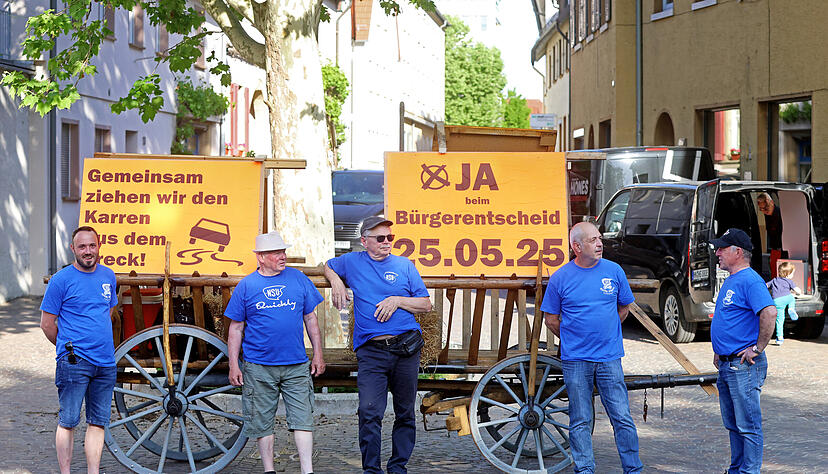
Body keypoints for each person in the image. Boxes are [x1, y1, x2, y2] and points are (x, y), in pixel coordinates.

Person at [324, 216, 432, 474]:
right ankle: (371, 470)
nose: (387, 243)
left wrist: (397, 300)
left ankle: (398, 467)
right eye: (380, 238)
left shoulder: (404, 265)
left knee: (405, 412)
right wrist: (337, 280)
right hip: (371, 351)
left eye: (390, 238)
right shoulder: (351, 261)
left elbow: (426, 304)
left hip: (405, 348)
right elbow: (326, 265)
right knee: (369, 411)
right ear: (364, 241)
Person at [541, 222, 642, 473]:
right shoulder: (561, 277)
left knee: (622, 417)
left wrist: (606, 331)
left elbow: (624, 308)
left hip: (609, 358)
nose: (599, 244)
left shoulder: (614, 270)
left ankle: (633, 469)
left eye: (599, 238)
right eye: (592, 240)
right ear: (577, 247)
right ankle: (584, 469)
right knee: (580, 419)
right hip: (576, 360)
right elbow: (551, 319)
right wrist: (576, 338)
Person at [225, 231, 326, 474]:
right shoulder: (247, 285)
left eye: (283, 252)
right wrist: (233, 364)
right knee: (262, 421)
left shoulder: (298, 278)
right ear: (260, 257)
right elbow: (236, 328)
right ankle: (269, 470)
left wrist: (318, 354)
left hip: (296, 363)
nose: (283, 256)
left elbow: (310, 318)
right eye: (276, 253)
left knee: (302, 418)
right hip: (258, 365)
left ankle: (307, 471)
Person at [40, 226, 118, 474]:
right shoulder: (60, 280)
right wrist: (66, 348)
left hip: (105, 362)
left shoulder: (108, 276)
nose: (88, 251)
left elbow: (109, 311)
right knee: (69, 421)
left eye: (92, 245)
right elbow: (47, 323)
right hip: (74, 362)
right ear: (73, 249)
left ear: (99, 246)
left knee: (98, 422)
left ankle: (93, 472)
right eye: (82, 246)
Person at [710, 228, 776, 474]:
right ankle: (736, 469)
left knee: (747, 425)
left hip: (742, 366)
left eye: (722, 248)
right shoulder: (732, 279)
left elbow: (769, 312)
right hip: (728, 364)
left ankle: (749, 471)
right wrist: (719, 349)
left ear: (737, 252)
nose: (717, 252)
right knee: (734, 424)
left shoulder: (750, 280)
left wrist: (758, 348)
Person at [766, 261, 801, 346]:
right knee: (792, 298)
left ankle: (779, 338)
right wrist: (798, 293)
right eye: (792, 273)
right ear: (788, 275)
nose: (792, 275)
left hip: (776, 301)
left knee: (779, 320)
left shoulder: (774, 280)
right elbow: (797, 290)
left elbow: (765, 285)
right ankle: (791, 308)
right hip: (787, 298)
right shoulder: (789, 281)